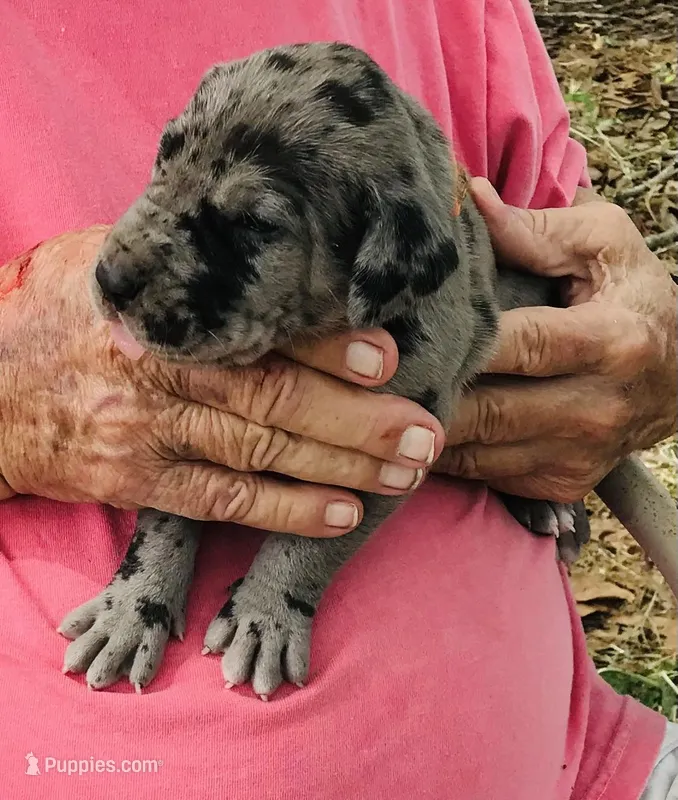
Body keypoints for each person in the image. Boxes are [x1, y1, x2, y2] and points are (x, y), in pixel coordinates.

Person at [0, 0, 675, 798]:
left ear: (382, 272)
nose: (122, 258)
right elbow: (175, 425)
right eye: (169, 151)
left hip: (584, 762)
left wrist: (634, 354)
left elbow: (570, 254)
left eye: (251, 225)